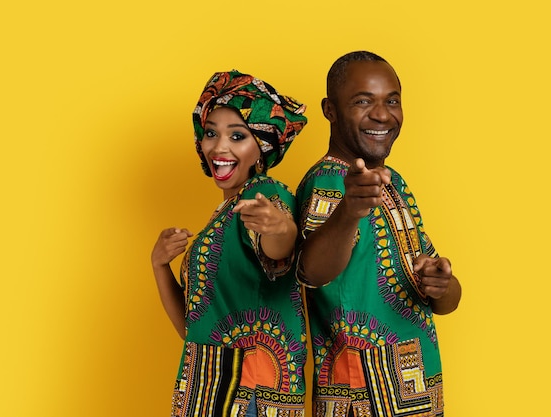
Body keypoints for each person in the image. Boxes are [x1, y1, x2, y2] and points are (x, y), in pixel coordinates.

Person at [295, 51, 462, 416]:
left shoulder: (395, 182)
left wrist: (442, 282)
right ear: (330, 110)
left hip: (417, 387)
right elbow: (311, 271)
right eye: (362, 101)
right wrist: (350, 211)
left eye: (392, 101)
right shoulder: (328, 180)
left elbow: (446, 301)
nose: (383, 114)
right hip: (362, 395)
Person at [151, 70, 309, 417]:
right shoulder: (221, 216)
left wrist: (282, 229)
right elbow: (192, 327)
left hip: (248, 392)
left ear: (261, 148)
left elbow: (279, 252)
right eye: (211, 133)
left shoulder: (263, 194)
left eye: (237, 136)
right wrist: (160, 265)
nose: (219, 147)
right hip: (207, 388)